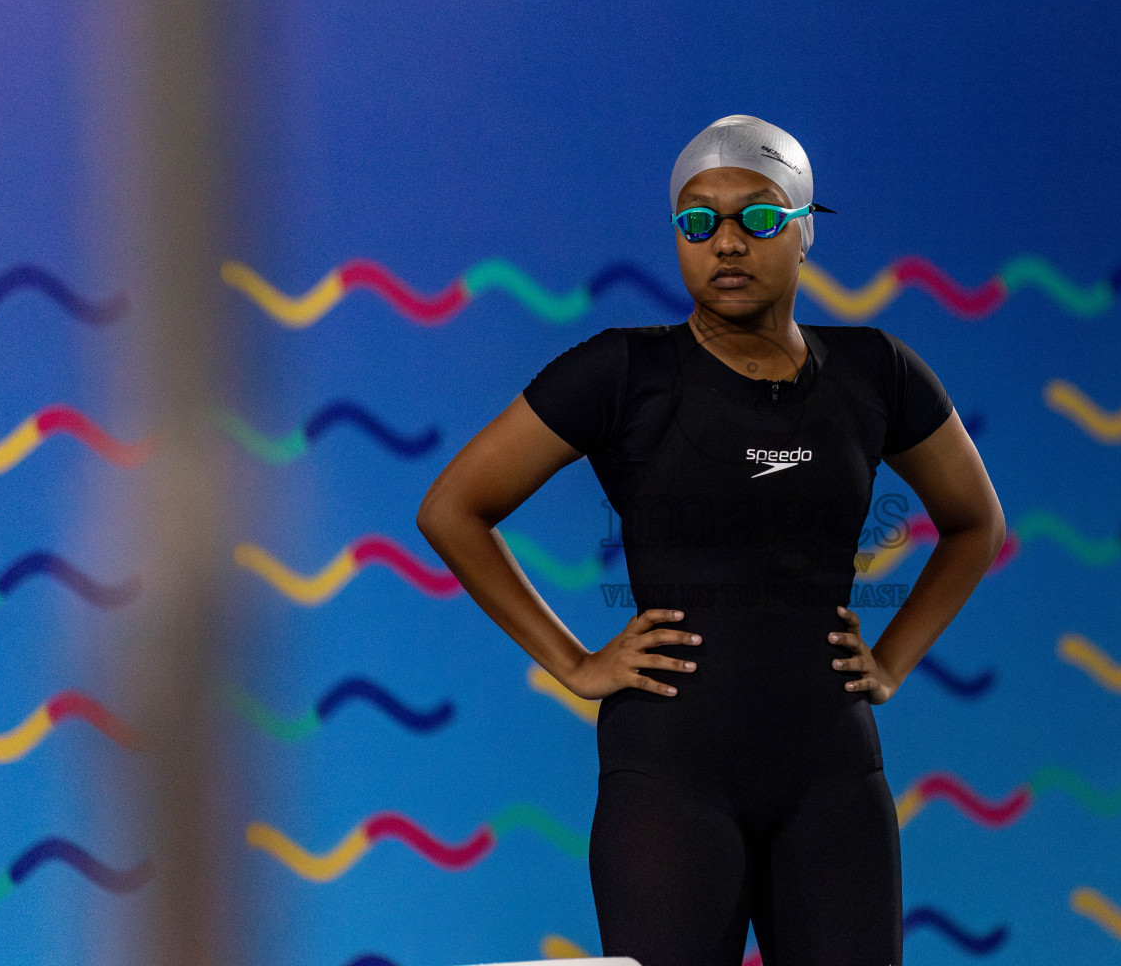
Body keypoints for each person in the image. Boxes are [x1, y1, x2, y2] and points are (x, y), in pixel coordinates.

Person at [416, 114, 1005, 966]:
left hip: (832, 777)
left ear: (804, 232)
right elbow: (452, 508)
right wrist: (576, 663)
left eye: (758, 219)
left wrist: (894, 657)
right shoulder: (623, 372)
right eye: (699, 222)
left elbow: (975, 521)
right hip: (670, 776)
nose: (726, 243)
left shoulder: (877, 371)